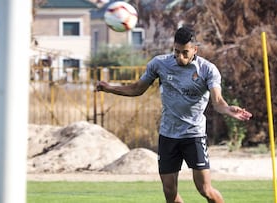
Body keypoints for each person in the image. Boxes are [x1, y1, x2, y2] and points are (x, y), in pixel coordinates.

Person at [96, 26, 252, 203]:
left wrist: (228, 109)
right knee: (170, 192)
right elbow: (137, 89)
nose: (180, 57)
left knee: (205, 190)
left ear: (195, 50)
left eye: (185, 52)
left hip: (194, 134)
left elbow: (217, 101)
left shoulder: (208, 70)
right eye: (176, 51)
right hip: (168, 135)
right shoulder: (159, 64)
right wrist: (110, 89)